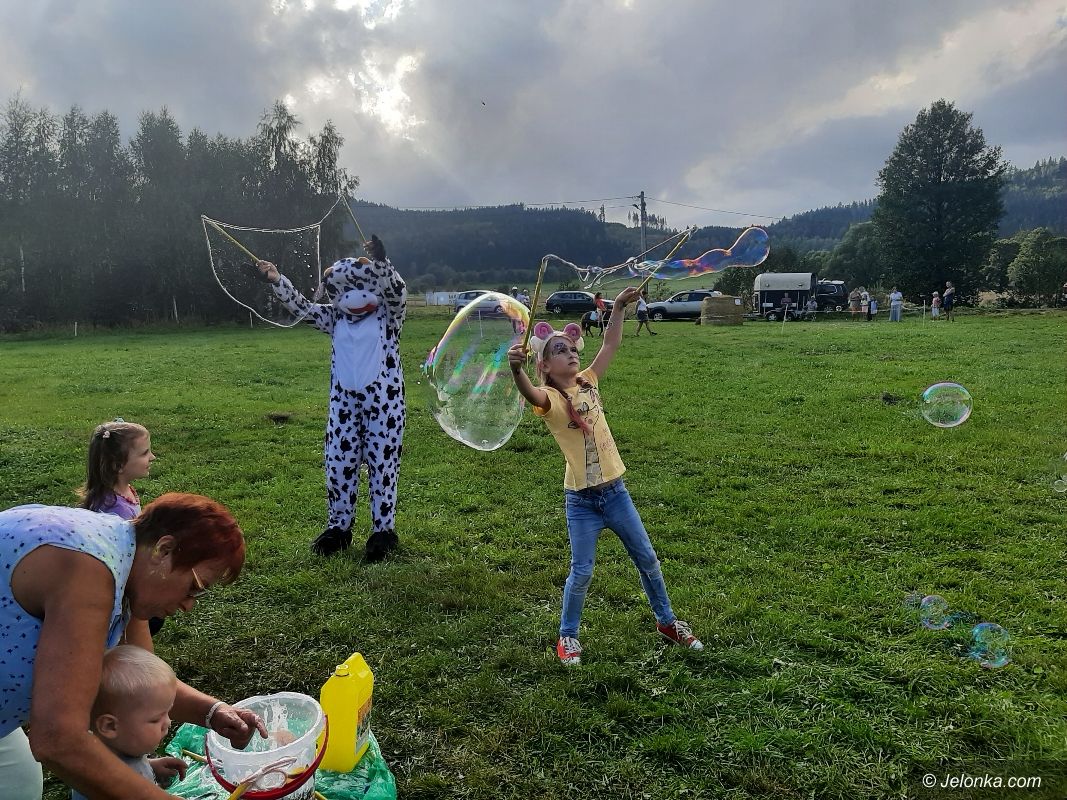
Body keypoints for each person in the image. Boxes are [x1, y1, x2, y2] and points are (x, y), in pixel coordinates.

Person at [0, 493, 266, 798]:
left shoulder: (129, 567)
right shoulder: (88, 572)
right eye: (194, 587)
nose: (189, 605)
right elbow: (58, 738)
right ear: (163, 550)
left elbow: (142, 688)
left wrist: (214, 712)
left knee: (19, 784)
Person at [506, 287, 703, 666]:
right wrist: (517, 369)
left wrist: (619, 308)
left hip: (616, 494)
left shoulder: (589, 381)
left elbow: (611, 342)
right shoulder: (550, 399)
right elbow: (530, 393)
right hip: (581, 501)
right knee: (581, 572)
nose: (571, 353)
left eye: (572, 348)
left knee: (647, 559)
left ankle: (667, 622)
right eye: (560, 350)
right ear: (545, 365)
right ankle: (568, 636)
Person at [70, 646, 187, 800]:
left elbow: (128, 767)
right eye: (155, 719)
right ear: (110, 726)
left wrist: (151, 766)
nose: (168, 723)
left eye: (167, 713)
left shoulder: (122, 749)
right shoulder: (104, 783)